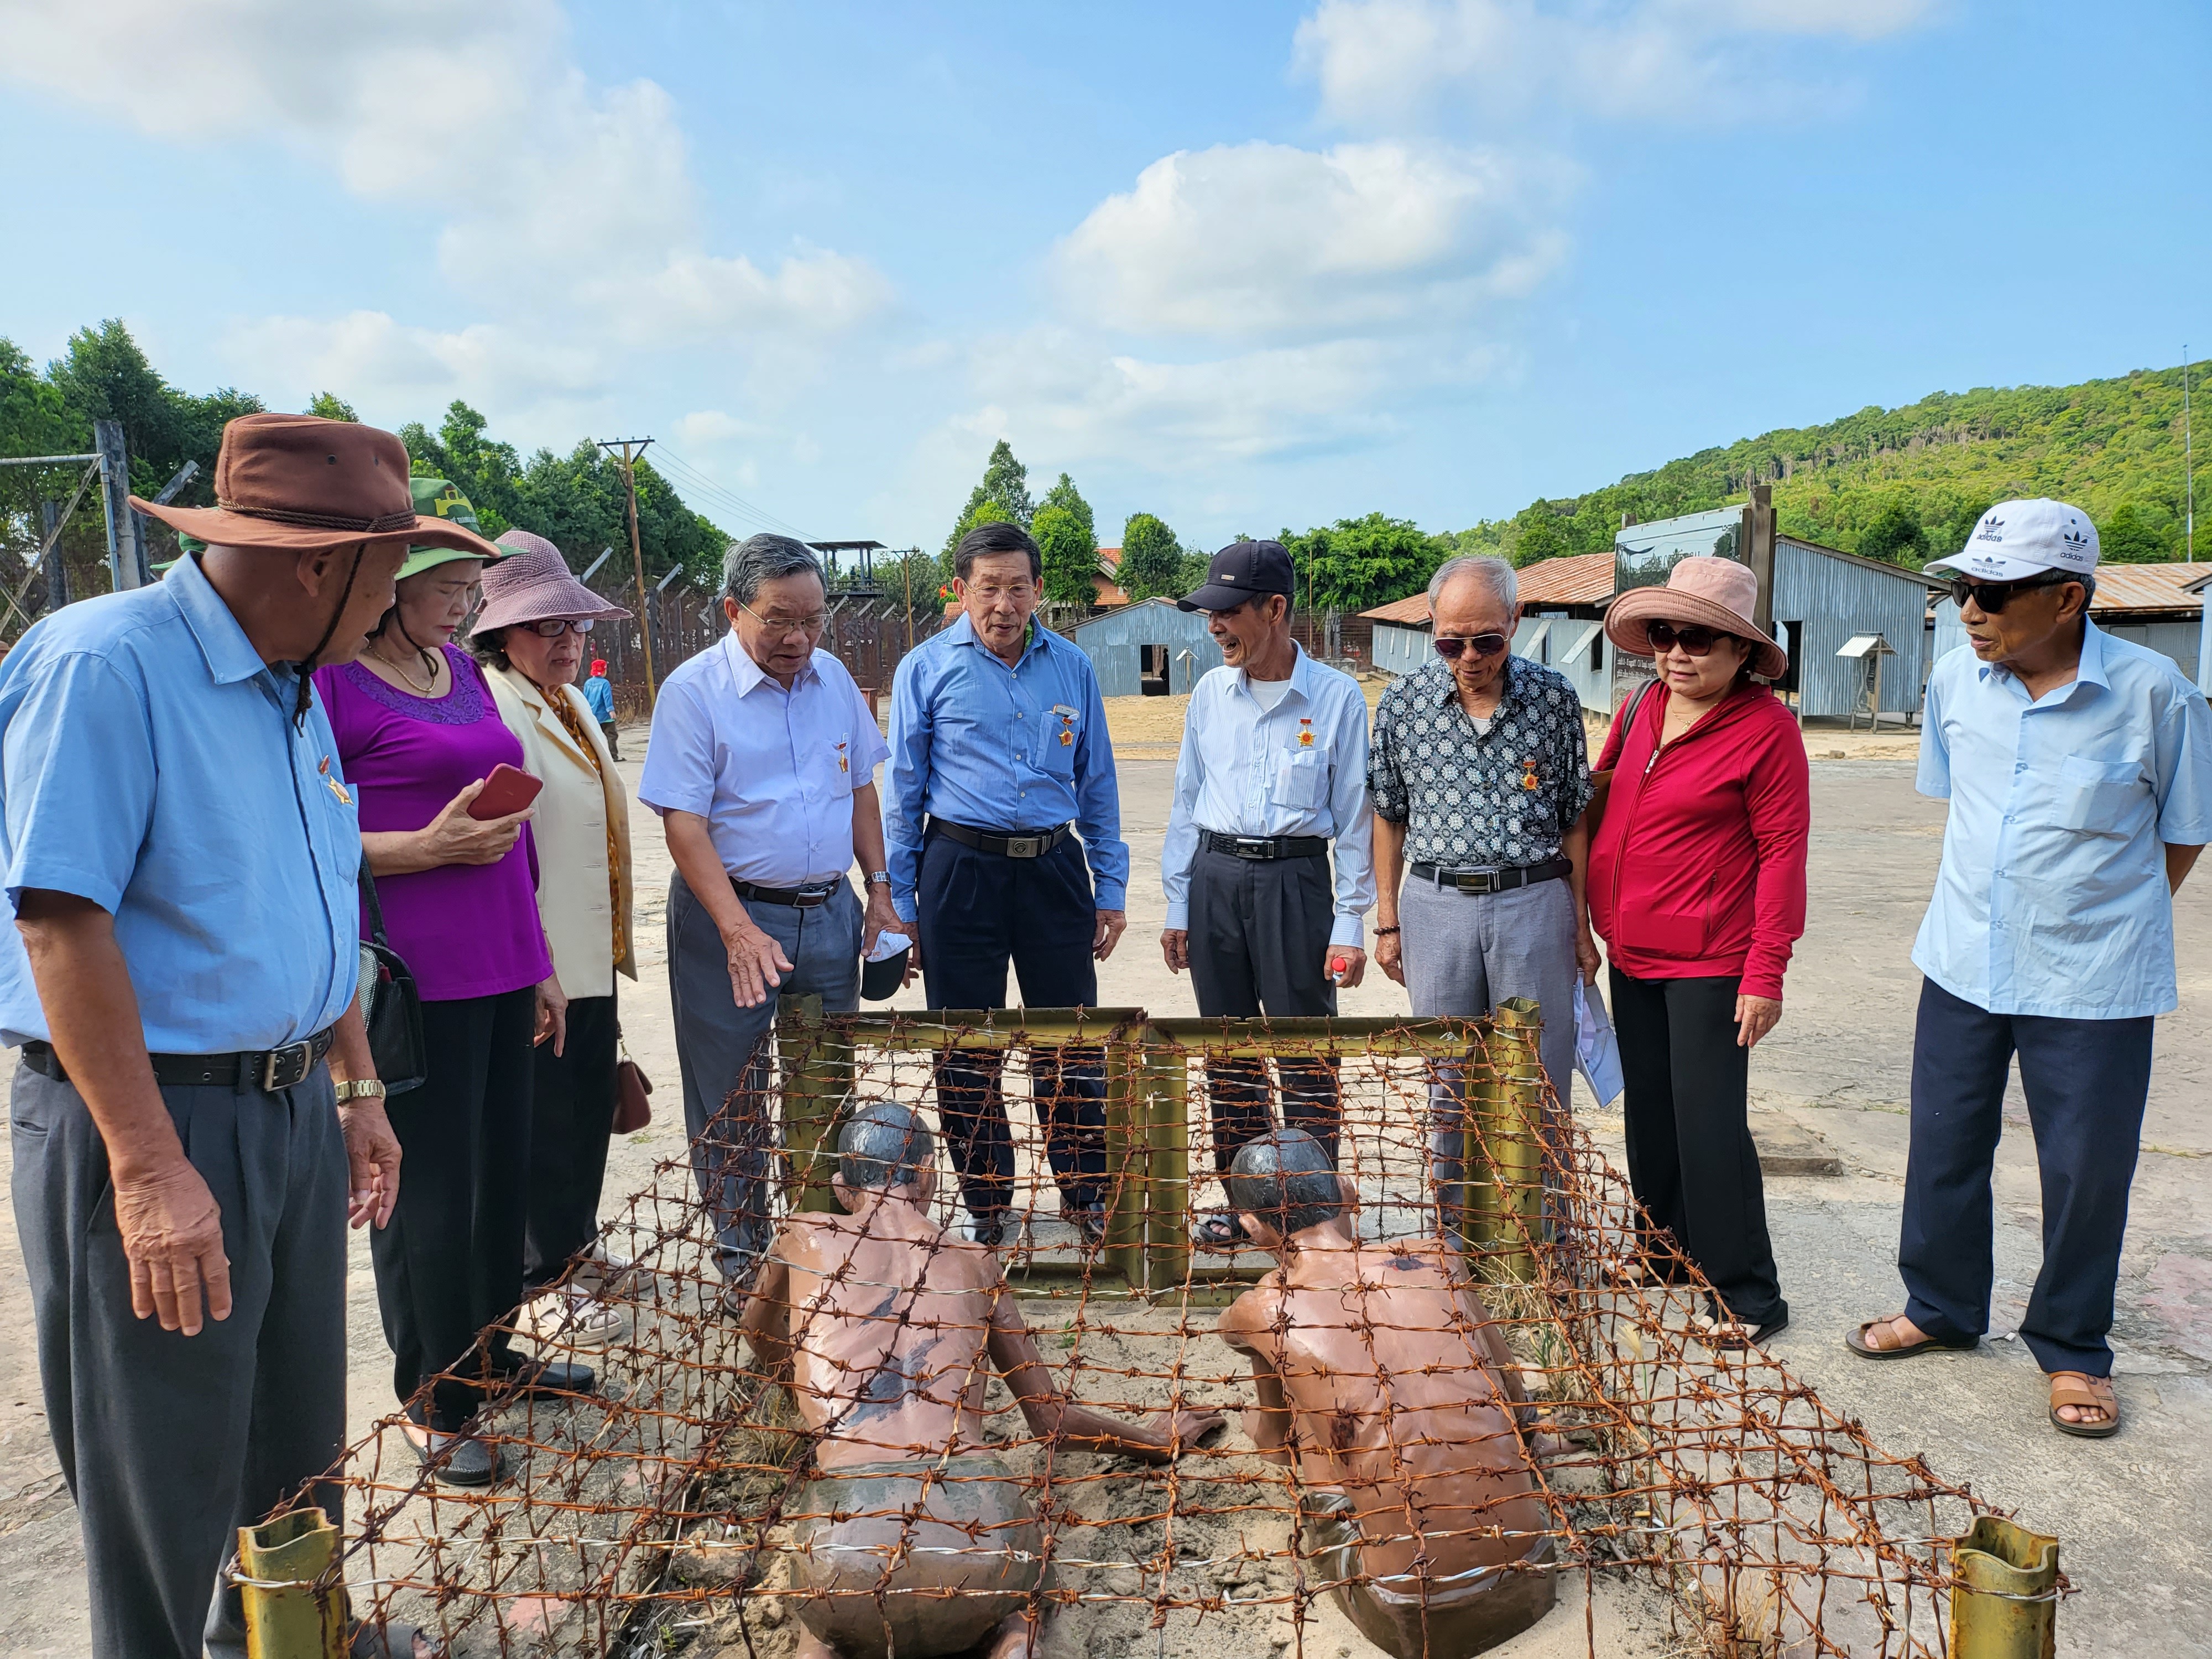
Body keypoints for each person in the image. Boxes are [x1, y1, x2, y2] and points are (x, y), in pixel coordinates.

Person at [0, 413, 468, 1659]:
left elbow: (312, 909)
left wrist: (357, 1085)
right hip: (150, 1118)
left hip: (284, 1104)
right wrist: (151, 1172)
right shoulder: (108, 666)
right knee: (163, 1464)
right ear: (319, 565)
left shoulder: (294, 686)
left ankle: (288, 1643)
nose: (390, 608)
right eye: (384, 577)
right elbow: (60, 924)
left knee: (293, 1438)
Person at [1850, 500, 2211, 1439]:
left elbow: (2182, 834)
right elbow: (1961, 810)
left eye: (1994, 593)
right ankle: (1941, 1306)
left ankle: (2073, 1348)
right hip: (1964, 958)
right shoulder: (1954, 685)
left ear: (2066, 598)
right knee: (1943, 1145)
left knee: (2087, 1170)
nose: (1970, 609)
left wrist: (2106, 916)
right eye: (1962, 588)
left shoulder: (2154, 694)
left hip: (2094, 981)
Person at [317, 477, 589, 1488]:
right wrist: (420, 848)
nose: (467, 604)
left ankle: (488, 1358)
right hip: (410, 976)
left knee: (496, 1179)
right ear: (390, 582)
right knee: (425, 1192)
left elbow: (504, 827)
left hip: (502, 958)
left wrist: (544, 962)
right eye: (449, 584)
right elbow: (304, 839)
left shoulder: (458, 674)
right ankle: (432, 1399)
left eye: (476, 587)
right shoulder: (338, 684)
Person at [738, 1102, 1222, 1659]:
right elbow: (1051, 1421)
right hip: (977, 1529)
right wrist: (1155, 1441)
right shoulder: (975, 1261)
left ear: (843, 1188)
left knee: (826, 1627)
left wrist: (805, 1388)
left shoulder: (805, 1234)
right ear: (927, 1176)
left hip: (850, 1545)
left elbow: (757, 1331)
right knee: (1014, 1614)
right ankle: (1013, 1643)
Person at [639, 534, 899, 1284]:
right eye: (779, 620)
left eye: (815, 620)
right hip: (730, 918)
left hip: (829, 914)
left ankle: (823, 1249)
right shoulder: (693, 694)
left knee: (825, 1087)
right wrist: (737, 930)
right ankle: (749, 1268)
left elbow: (859, 792)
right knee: (733, 1100)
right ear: (732, 609)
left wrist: (878, 892)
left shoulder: (834, 680)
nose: (799, 639)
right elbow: (683, 823)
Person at [1215, 1130, 1555, 1658]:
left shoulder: (1262, 1308)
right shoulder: (1438, 1258)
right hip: (1536, 1568)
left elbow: (1271, 1443)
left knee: (1318, 1415)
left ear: (1251, 1227)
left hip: (1406, 1607)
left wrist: (1255, 1422)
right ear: (1349, 1192)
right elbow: (1519, 1407)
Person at [885, 521, 1129, 1248]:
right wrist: (904, 906)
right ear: (960, 591)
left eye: (1017, 587)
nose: (1002, 603)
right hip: (959, 868)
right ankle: (987, 1202)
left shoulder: (1073, 669)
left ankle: (1084, 1193)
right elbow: (902, 792)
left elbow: (1099, 784)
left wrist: (1108, 886)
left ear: (1038, 590)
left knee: (1071, 1041)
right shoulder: (925, 670)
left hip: (1055, 870)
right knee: (966, 1044)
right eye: (986, 588)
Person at [1591, 556, 1808, 1348]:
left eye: (1702, 641)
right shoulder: (1644, 703)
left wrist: (1766, 972)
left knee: (1709, 1123)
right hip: (1634, 947)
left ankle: (1749, 1292)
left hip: (1714, 958)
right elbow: (1603, 793)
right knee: (1651, 1114)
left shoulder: (1767, 730)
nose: (1679, 655)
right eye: (1667, 636)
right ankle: (1663, 1252)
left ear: (1743, 653)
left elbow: (1783, 853)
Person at [1159, 540, 1375, 1249]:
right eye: (1208, 615)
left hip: (1295, 882)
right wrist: (1178, 904)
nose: (1214, 627)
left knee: (1305, 1052)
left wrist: (1349, 924)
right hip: (1217, 878)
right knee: (1231, 1055)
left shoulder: (1337, 697)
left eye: (1227, 613)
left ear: (1275, 609)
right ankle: (1247, 1207)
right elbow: (1186, 801)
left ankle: (1313, 1211)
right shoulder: (1209, 697)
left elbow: (1352, 821)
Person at [1367, 555, 1594, 1194]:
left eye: (1486, 640)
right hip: (1435, 907)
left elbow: (1574, 816)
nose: (1469, 656)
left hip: (1532, 901)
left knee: (1538, 1081)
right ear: (1431, 629)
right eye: (1450, 641)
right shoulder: (1403, 705)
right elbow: (1387, 817)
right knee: (1448, 1088)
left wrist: (1579, 926)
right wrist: (1387, 923)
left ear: (1515, 621)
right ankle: (1455, 1255)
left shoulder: (1552, 698)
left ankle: (1543, 1251)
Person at [472, 530, 638, 1347]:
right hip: (542, 958)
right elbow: (506, 849)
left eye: (577, 625)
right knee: (546, 1121)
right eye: (548, 627)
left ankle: (576, 1247)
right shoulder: (499, 704)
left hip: (588, 948)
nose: (568, 640)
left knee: (581, 1111)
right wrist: (538, 960)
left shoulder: (567, 700)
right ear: (500, 633)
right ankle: (548, 1275)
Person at [584, 655, 620, 759]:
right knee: (611, 735)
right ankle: (613, 756)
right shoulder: (605, 683)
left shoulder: (588, 683)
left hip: (593, 715)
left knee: (595, 737)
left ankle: (596, 757)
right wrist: (611, 710)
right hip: (605, 716)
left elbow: (585, 698)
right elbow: (607, 697)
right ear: (604, 671)